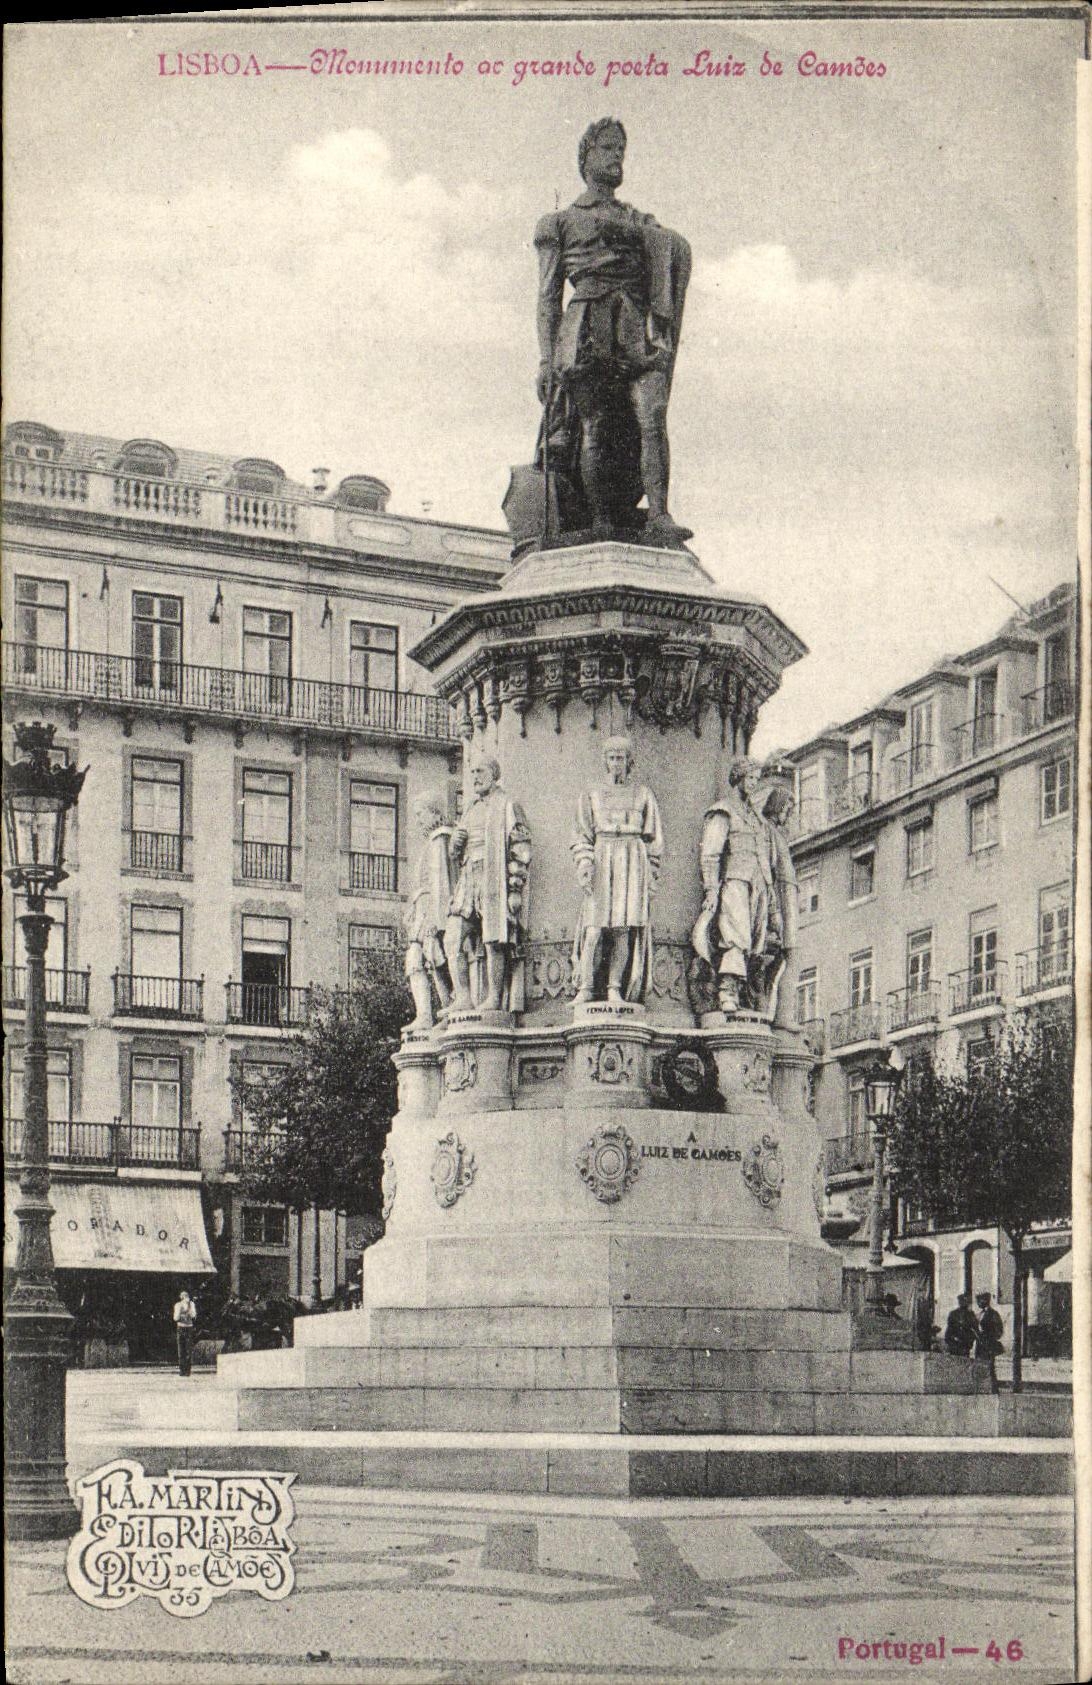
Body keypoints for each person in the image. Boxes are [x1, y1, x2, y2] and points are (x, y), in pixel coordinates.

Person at [534, 118, 691, 540]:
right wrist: (547, 359)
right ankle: (601, 520)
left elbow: (672, 248)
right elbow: (549, 296)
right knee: (596, 425)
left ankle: (659, 516)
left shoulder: (640, 219)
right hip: (586, 324)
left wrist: (637, 232)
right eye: (607, 148)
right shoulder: (558, 222)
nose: (617, 155)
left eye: (621, 148)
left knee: (653, 415)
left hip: (636, 325)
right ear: (586, 157)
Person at [571, 736, 663, 1005]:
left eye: (621, 758)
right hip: (603, 855)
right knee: (594, 930)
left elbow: (654, 840)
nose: (616, 763)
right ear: (605, 762)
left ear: (629, 761)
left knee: (622, 930)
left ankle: (614, 988)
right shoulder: (592, 794)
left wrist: (651, 875)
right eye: (611, 758)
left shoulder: (643, 794)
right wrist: (585, 863)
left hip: (632, 860)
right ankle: (586, 988)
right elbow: (582, 834)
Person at [445, 757, 532, 1012]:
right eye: (472, 772)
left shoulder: (506, 804)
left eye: (480, 771)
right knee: (452, 937)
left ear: (494, 774)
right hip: (468, 876)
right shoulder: (470, 807)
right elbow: (455, 854)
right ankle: (463, 997)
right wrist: (455, 845)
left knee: (493, 939)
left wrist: (515, 887)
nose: (475, 776)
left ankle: (494, 997)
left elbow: (520, 844)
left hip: (493, 875)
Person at [692, 758, 778, 1014]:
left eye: (756, 779)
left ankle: (744, 994)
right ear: (738, 779)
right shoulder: (724, 811)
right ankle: (727, 991)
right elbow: (711, 853)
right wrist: (710, 889)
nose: (753, 783)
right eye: (749, 778)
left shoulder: (756, 818)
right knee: (735, 937)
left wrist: (769, 894)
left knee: (754, 942)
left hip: (758, 883)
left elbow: (765, 855)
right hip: (735, 881)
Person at [404, 793, 455, 1028]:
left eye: (420, 814)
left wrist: (437, 916)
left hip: (433, 911)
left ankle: (445, 1008)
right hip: (423, 910)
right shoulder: (431, 842)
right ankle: (425, 1015)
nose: (418, 820)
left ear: (434, 812)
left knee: (435, 958)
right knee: (417, 958)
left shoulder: (440, 839)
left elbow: (441, 881)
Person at [974, 1291, 1005, 1391]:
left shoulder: (993, 1314)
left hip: (988, 1345)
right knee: (979, 1365)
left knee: (990, 1366)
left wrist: (989, 1336)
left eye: (979, 1300)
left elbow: (999, 1331)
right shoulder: (979, 1314)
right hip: (980, 1345)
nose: (978, 1302)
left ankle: (993, 1388)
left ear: (986, 1300)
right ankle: (981, 1388)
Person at [943, 1292, 979, 1358]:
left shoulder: (970, 1315)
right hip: (954, 1344)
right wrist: (949, 1340)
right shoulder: (953, 1314)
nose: (962, 1303)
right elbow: (949, 1329)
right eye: (961, 1301)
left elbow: (975, 1329)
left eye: (965, 1301)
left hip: (965, 1345)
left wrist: (969, 1341)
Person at [172, 1288, 197, 1376]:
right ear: (181, 1298)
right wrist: (180, 1312)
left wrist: (190, 1310)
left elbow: (194, 1315)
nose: (186, 1298)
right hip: (181, 1328)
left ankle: (188, 1370)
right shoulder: (178, 1305)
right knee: (181, 1350)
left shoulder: (192, 1304)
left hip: (189, 1328)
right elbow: (175, 1318)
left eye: (187, 1296)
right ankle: (182, 1370)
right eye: (184, 1296)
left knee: (188, 1349)